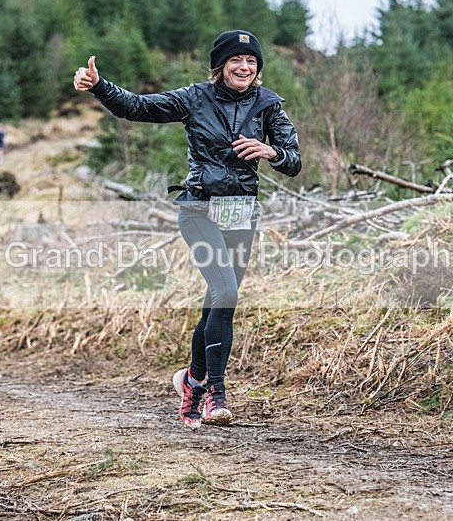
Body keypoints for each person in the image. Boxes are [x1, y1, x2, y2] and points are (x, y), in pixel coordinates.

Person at [74, 29, 301, 429]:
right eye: (236, 60)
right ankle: (217, 393)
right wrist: (99, 86)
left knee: (219, 300)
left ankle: (192, 383)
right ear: (220, 65)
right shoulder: (195, 98)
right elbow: (137, 107)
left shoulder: (268, 105)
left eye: (251, 61)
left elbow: (294, 161)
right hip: (199, 209)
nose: (244, 67)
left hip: (240, 212)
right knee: (226, 292)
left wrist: (272, 151)